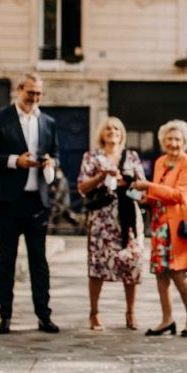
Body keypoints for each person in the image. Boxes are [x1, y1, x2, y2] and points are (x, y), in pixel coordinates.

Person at [0, 72, 60, 334]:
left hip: (37, 201)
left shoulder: (48, 122)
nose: (35, 98)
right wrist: (13, 160)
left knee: (38, 260)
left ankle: (44, 315)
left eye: (39, 93)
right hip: (7, 200)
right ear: (20, 90)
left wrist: (52, 162)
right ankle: (4, 315)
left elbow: (56, 154)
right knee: (7, 258)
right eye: (31, 92)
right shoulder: (0, 117)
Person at [131, 119, 187, 337]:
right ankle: (166, 319)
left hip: (178, 226)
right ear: (162, 141)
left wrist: (149, 187)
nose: (173, 143)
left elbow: (181, 195)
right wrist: (146, 197)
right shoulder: (161, 161)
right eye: (169, 139)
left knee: (179, 274)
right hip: (160, 225)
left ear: (185, 142)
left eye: (177, 139)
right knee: (161, 275)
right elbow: (160, 194)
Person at [77, 117, 145, 330]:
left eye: (116, 128)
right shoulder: (91, 156)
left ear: (122, 133)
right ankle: (94, 313)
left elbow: (142, 193)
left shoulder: (131, 156)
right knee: (97, 265)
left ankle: (131, 312)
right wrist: (100, 177)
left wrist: (126, 184)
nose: (112, 131)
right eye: (107, 128)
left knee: (132, 263)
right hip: (101, 219)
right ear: (101, 133)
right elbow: (82, 188)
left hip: (128, 219)